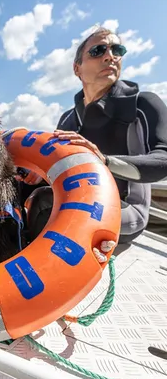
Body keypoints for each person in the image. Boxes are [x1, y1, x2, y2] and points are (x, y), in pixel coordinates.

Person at [23, 27, 167, 245]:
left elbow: (164, 159)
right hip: (74, 196)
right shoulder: (68, 119)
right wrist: (36, 173)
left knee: (46, 201)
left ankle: (35, 272)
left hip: (125, 208)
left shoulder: (142, 104)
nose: (110, 56)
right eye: (98, 50)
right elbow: (58, 165)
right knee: (17, 187)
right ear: (76, 68)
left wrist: (104, 161)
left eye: (117, 50)